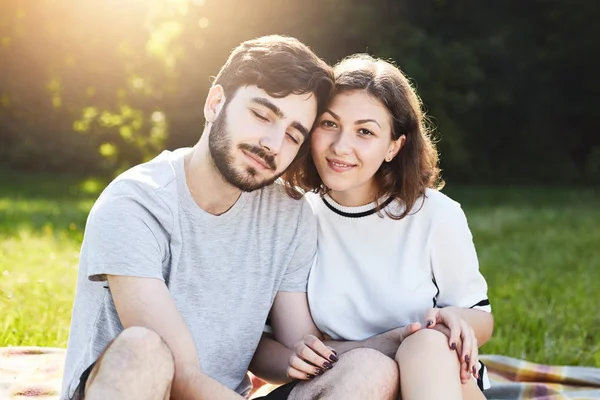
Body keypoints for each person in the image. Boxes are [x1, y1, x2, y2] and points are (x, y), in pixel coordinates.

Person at [59, 35, 340, 400]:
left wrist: (397, 341)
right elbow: (181, 376)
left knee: (364, 369)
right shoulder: (134, 203)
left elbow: (296, 351)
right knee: (144, 350)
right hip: (138, 391)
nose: (273, 143)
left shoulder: (290, 214)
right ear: (215, 103)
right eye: (261, 114)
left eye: (292, 135)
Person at [260, 54, 494, 400]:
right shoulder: (293, 217)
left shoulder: (435, 215)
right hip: (350, 381)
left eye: (365, 131)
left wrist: (453, 321)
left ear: (393, 147)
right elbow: (274, 349)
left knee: (427, 343)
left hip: (435, 379)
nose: (341, 146)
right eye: (329, 124)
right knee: (380, 366)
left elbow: (481, 318)